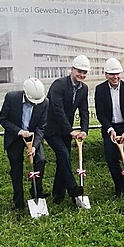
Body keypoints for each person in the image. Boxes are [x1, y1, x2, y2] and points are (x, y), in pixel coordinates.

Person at [95, 58, 124, 198]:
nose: (115, 77)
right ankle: (120, 187)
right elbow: (101, 114)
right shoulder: (100, 90)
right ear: (106, 75)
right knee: (111, 156)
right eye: (111, 74)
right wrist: (110, 129)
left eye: (117, 74)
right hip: (110, 127)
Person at [45, 55, 90, 204]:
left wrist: (84, 129)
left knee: (63, 160)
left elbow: (84, 110)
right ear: (72, 69)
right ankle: (72, 189)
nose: (82, 75)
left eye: (84, 72)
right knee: (63, 154)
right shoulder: (58, 85)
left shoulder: (83, 88)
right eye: (79, 71)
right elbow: (57, 110)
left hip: (66, 129)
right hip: (50, 128)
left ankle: (58, 196)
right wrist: (70, 130)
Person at [0, 77, 49, 210]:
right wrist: (19, 131)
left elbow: (41, 127)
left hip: (32, 138)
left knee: (41, 160)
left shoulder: (44, 102)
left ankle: (36, 190)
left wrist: (34, 146)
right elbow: (3, 119)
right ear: (25, 94)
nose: (34, 104)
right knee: (16, 169)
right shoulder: (11, 97)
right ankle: (18, 200)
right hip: (14, 138)